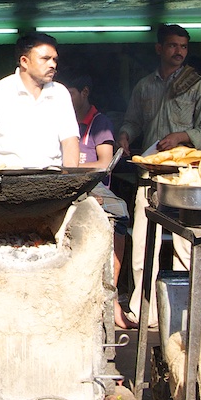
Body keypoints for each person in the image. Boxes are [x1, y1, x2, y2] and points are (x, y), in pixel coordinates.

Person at [117, 24, 201, 326]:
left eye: (184, 47)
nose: (179, 52)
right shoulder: (145, 86)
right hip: (150, 174)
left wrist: (181, 136)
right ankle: (142, 306)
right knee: (144, 243)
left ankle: (184, 310)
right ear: (159, 49)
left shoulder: (196, 84)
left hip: (184, 175)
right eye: (173, 46)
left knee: (186, 244)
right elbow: (133, 120)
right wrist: (124, 134)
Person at [69, 74, 135, 329]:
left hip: (91, 183)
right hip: (63, 182)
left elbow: (105, 163)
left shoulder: (99, 123)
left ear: (85, 92)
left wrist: (73, 168)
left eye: (70, 92)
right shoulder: (56, 118)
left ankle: (111, 296)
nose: (65, 98)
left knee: (119, 212)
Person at [0, 32, 80, 169]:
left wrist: (71, 178)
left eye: (54, 59)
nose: (52, 64)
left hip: (50, 179)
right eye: (45, 59)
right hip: (4, 179)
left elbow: (70, 141)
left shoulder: (60, 93)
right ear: (24, 61)